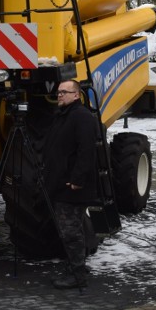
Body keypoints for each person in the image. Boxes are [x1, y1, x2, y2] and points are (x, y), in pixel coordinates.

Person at [41, 79, 99, 289]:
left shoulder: (81, 117)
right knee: (72, 227)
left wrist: (77, 180)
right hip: (62, 183)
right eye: (58, 92)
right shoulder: (64, 116)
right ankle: (76, 266)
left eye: (64, 92)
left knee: (70, 231)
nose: (60, 95)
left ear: (77, 95)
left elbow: (86, 151)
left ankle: (77, 275)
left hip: (72, 186)